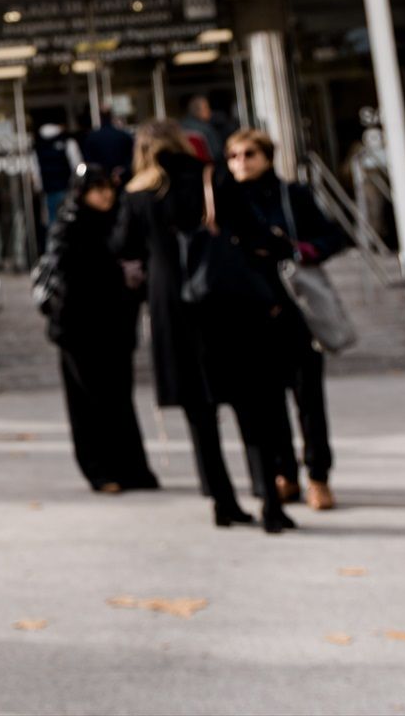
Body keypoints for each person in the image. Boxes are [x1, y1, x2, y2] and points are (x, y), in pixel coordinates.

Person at [117, 121, 296, 534]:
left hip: (172, 309)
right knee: (254, 406)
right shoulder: (211, 177)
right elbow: (252, 231)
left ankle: (222, 500)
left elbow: (122, 247)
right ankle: (270, 500)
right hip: (226, 302)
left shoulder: (137, 193)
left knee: (201, 414)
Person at [225, 129, 350, 511]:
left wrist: (304, 250)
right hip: (254, 312)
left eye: (249, 154)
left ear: (267, 156)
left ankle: (317, 475)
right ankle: (284, 474)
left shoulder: (291, 196)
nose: (240, 163)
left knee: (308, 398)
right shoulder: (225, 200)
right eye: (233, 156)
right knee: (268, 399)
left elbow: (335, 235)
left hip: (298, 309)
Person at [36, 165, 157, 493]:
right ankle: (100, 471)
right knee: (89, 402)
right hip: (79, 330)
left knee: (119, 399)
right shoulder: (70, 225)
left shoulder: (120, 220)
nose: (105, 194)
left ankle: (133, 469)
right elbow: (68, 276)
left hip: (116, 327)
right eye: (96, 188)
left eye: (108, 187)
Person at [33, 120, 81, 228]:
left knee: (52, 221)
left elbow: (36, 171)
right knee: (69, 220)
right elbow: (77, 166)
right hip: (66, 187)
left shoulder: (39, 145)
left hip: (48, 189)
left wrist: (38, 187)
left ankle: (54, 243)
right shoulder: (67, 142)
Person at [81, 111, 136, 182]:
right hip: (121, 179)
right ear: (111, 118)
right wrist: (123, 170)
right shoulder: (123, 136)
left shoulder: (91, 137)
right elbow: (132, 158)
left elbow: (88, 161)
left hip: (101, 180)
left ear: (100, 118)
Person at [179, 94, 223, 164]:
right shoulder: (206, 130)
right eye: (207, 107)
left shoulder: (178, 127)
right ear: (197, 111)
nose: (210, 111)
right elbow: (217, 155)